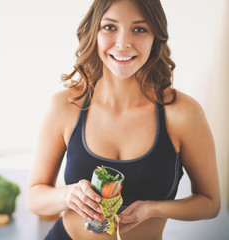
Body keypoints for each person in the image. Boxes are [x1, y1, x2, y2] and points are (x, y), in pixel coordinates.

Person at [25, 0, 221, 239]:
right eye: (109, 27)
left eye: (139, 29)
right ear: (94, 32)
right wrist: (67, 195)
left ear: (155, 37)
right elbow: (34, 197)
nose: (123, 44)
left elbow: (210, 203)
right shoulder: (66, 106)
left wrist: (152, 209)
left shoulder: (182, 113)